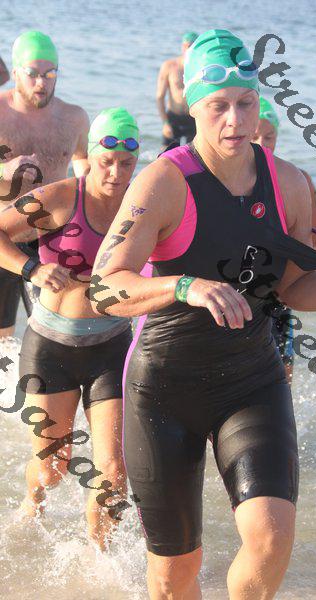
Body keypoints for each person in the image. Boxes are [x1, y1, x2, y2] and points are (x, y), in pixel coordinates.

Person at [92, 30, 316, 599]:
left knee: (271, 539)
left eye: (246, 103)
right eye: (218, 105)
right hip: (164, 387)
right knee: (174, 574)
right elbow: (104, 287)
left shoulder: (289, 182)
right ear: (193, 106)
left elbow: (294, 288)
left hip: (251, 380)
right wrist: (184, 286)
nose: (235, 120)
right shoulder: (163, 181)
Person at [0, 107, 139, 550]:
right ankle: (33, 503)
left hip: (111, 348)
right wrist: (33, 269)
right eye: (107, 161)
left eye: (127, 163)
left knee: (114, 470)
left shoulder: (142, 206)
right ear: (90, 155)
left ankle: (100, 559)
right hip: (51, 349)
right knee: (53, 469)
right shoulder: (60, 197)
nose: (116, 173)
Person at [0, 30, 90, 338]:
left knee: (53, 334)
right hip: (3, 239)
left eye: (51, 74)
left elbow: (84, 163)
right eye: (33, 74)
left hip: (50, 242)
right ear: (15, 73)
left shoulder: (74, 118)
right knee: (2, 342)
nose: (42, 82)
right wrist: (5, 170)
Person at [254, 97, 316, 383]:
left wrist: (304, 283)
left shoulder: (298, 180)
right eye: (255, 136)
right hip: (237, 294)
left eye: (269, 137)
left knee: (282, 380)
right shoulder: (230, 182)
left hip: (279, 295)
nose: (262, 143)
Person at [156, 31, 198, 149]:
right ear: (182, 46)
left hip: (193, 118)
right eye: (186, 46)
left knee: (195, 155)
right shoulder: (169, 66)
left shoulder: (201, 67)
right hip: (174, 117)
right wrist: (165, 123)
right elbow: (160, 97)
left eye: (192, 46)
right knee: (166, 153)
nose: (188, 49)